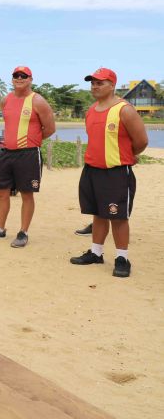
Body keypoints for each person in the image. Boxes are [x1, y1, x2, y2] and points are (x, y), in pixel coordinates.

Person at [69, 68, 147, 278]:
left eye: (100, 83)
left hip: (116, 172)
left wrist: (127, 156)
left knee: (118, 216)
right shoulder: (91, 110)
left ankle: (122, 258)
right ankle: (96, 253)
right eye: (92, 82)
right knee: (98, 213)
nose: (94, 86)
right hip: (92, 170)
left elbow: (141, 141)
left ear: (112, 85)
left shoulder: (125, 110)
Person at [0, 66, 55, 248]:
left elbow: (50, 129)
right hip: (7, 152)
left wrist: (31, 140)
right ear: (12, 79)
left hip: (28, 154)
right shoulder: (6, 100)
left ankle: (23, 232)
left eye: (23, 76)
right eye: (15, 75)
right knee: (1, 192)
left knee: (27, 194)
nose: (19, 78)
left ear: (30, 79)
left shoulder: (38, 101)